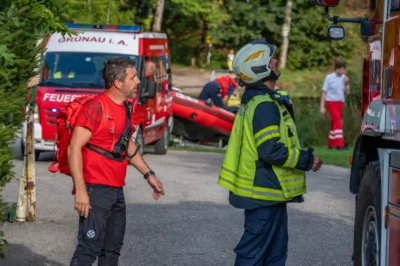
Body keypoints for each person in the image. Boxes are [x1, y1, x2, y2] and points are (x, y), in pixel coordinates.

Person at [218, 38, 323, 266]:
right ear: (260, 68)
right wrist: (307, 159)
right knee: (254, 256)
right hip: (263, 193)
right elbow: (270, 150)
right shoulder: (264, 105)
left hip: (269, 194)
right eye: (272, 58)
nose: (276, 61)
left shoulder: (261, 101)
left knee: (274, 256)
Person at [69, 57, 165, 266]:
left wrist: (149, 175)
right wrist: (82, 191)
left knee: (112, 249)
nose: (138, 81)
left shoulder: (125, 108)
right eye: (133, 77)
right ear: (118, 83)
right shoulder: (96, 108)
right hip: (96, 189)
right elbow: (74, 147)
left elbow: (127, 145)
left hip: (116, 189)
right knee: (88, 248)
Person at [319, 61, 350, 150]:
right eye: (342, 70)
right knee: (338, 121)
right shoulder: (329, 78)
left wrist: (347, 83)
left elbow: (347, 92)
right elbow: (324, 92)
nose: (344, 72)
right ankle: (340, 144)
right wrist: (322, 106)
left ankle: (330, 144)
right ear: (337, 69)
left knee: (334, 123)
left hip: (340, 102)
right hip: (331, 102)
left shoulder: (344, 78)